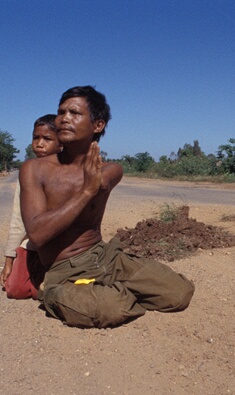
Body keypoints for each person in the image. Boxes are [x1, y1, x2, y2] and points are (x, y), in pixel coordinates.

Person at [19, 86, 195, 329]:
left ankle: (105, 288)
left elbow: (104, 179)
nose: (64, 119)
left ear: (98, 125)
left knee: (179, 293)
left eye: (74, 113)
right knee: (113, 308)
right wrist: (86, 192)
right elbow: (37, 235)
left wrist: (92, 185)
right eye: (61, 113)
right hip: (65, 269)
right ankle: (56, 294)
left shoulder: (111, 170)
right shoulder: (34, 169)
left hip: (106, 256)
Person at [0, 114, 62, 299]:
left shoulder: (70, 172)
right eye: (36, 137)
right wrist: (9, 260)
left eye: (47, 139)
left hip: (62, 248)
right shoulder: (28, 172)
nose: (40, 144)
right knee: (15, 289)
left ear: (61, 143)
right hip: (34, 246)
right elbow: (18, 219)